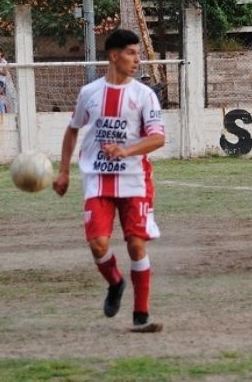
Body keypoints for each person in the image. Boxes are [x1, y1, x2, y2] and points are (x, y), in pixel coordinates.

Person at [52, 29, 165, 333]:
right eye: (131, 53)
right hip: (97, 178)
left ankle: (141, 315)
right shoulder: (90, 92)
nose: (137, 60)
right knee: (98, 244)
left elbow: (158, 138)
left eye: (138, 54)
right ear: (114, 56)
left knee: (136, 244)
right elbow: (73, 129)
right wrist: (63, 171)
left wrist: (127, 149)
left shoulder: (144, 95)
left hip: (134, 179)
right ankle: (115, 283)